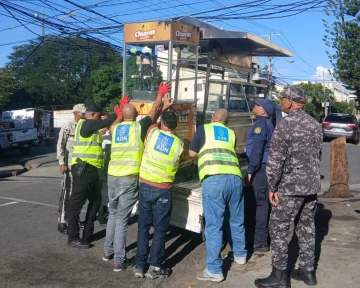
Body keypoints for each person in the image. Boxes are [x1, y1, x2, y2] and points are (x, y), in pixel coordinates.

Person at [254, 86, 322, 288]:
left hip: (290, 188)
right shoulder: (315, 124)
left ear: (291, 102)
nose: (281, 102)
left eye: (282, 98)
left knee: (278, 229)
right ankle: (308, 272)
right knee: (307, 228)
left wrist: (272, 187)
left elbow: (275, 161)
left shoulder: (286, 125)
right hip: (310, 187)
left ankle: (279, 277)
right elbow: (317, 156)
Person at [103, 83, 171, 272]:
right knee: (122, 219)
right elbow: (154, 110)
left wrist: (120, 111)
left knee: (113, 215)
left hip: (112, 177)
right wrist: (159, 95)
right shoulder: (138, 127)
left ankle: (107, 251)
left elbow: (113, 123)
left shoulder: (116, 129)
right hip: (128, 178)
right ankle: (119, 260)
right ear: (135, 116)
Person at [189, 109, 247, 283]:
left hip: (214, 178)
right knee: (236, 219)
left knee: (214, 225)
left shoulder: (203, 129)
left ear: (213, 117)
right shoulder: (230, 133)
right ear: (226, 121)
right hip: (235, 178)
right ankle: (240, 255)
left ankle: (214, 270)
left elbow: (192, 153)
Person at [134, 110, 184, 280]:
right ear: (175, 126)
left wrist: (163, 107)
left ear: (162, 123)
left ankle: (139, 266)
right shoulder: (179, 144)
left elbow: (151, 120)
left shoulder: (153, 133)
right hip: (162, 189)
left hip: (145, 185)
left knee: (143, 228)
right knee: (160, 230)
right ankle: (154, 267)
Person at [67, 103, 119, 249]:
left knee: (96, 201)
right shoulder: (85, 124)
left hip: (92, 170)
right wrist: (118, 114)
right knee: (76, 205)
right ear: (93, 114)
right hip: (84, 170)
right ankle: (73, 237)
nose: (100, 118)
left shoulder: (89, 128)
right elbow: (107, 121)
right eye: (99, 115)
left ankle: (87, 234)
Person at [245, 98, 275, 252]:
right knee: (264, 203)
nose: (254, 106)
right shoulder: (267, 124)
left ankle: (261, 242)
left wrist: (250, 170)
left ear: (263, 110)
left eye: (257, 105)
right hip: (266, 167)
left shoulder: (261, 125)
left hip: (261, 169)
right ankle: (261, 239)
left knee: (261, 204)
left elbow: (257, 150)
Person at [56, 104, 86, 234]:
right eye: (82, 114)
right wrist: (62, 163)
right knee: (67, 193)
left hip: (80, 167)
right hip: (68, 166)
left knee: (77, 195)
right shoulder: (68, 126)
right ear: (76, 114)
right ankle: (62, 221)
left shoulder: (85, 126)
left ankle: (74, 219)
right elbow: (60, 145)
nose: (84, 116)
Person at [97, 113, 112, 226]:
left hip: (110, 167)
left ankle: (103, 214)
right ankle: (99, 215)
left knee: (106, 192)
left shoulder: (112, 132)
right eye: (102, 121)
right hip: (99, 167)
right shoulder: (96, 133)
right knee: (99, 193)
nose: (104, 123)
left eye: (106, 121)